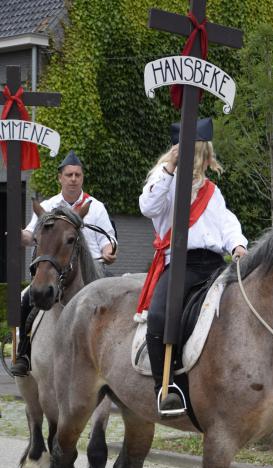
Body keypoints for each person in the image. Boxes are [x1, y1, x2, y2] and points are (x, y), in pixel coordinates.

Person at [137, 117, 247, 416]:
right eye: (197, 153)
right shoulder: (164, 184)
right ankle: (166, 387)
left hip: (214, 265)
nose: (201, 160)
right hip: (180, 266)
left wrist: (237, 244)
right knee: (160, 317)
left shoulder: (213, 192)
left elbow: (227, 223)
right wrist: (170, 167)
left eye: (203, 153)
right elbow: (148, 207)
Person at [10, 150, 117, 377]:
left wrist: (109, 251)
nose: (73, 179)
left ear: (82, 178)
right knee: (25, 299)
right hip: (55, 270)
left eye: (77, 175)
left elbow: (109, 239)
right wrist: (18, 235)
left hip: (92, 270)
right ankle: (24, 353)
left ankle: (115, 359)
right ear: (60, 178)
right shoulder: (47, 206)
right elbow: (30, 235)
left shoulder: (95, 207)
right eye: (69, 174)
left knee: (116, 304)